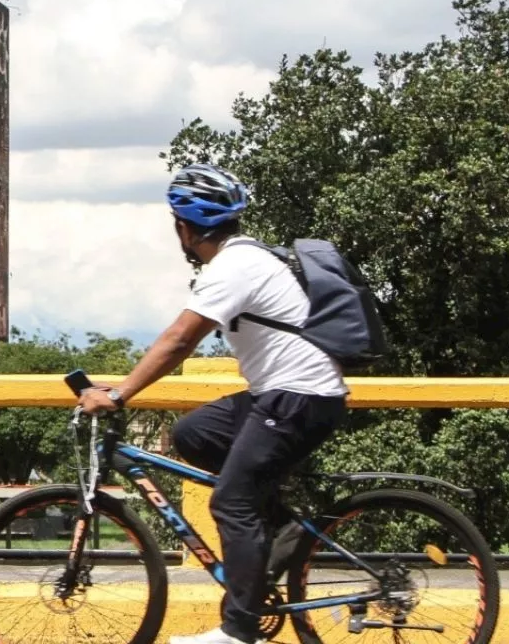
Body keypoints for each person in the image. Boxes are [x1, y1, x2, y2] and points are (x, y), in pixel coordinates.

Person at [78, 163, 350, 644]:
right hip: (288, 394)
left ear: (184, 227)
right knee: (193, 434)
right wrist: (120, 384)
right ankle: (282, 531)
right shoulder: (247, 258)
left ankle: (239, 632)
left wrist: (120, 394)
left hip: (297, 398)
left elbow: (180, 339)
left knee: (232, 501)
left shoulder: (231, 267)